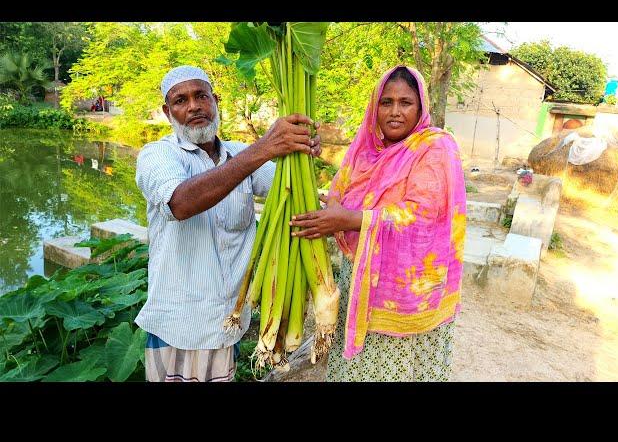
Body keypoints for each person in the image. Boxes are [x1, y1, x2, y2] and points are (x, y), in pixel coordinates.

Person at [134, 65, 321, 382]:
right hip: (178, 329)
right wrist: (264, 148)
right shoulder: (157, 156)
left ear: (215, 101)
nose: (194, 106)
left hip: (226, 328)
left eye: (201, 96)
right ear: (168, 112)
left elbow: (290, 189)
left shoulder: (238, 153)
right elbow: (180, 202)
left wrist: (302, 153)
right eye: (180, 101)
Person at [290, 65, 466, 382]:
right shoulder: (364, 152)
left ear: (421, 105)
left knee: (396, 370)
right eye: (386, 102)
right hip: (357, 281)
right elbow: (339, 193)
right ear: (375, 106)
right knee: (355, 371)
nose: (394, 112)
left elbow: (424, 214)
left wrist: (352, 219)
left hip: (407, 292)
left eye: (405, 102)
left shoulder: (435, 147)